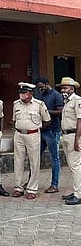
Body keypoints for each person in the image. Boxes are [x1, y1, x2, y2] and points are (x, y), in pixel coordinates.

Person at [11, 82, 50, 199]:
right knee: (18, 161)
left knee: (34, 162)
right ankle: (18, 187)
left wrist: (36, 128)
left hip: (33, 135)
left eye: (24, 93)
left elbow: (47, 121)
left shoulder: (39, 104)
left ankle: (32, 189)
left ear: (31, 93)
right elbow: (13, 119)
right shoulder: (16, 104)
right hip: (18, 134)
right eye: (20, 93)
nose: (21, 95)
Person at [34, 77, 64, 193]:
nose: (40, 89)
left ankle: (54, 184)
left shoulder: (56, 95)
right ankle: (32, 182)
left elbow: (60, 112)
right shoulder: (41, 96)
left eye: (41, 87)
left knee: (54, 159)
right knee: (35, 157)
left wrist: (46, 112)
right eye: (38, 88)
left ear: (47, 84)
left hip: (52, 131)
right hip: (41, 130)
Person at [56, 77, 81, 205]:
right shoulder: (67, 101)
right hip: (66, 135)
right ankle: (77, 190)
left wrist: (77, 139)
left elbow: (80, 121)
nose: (62, 90)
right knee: (72, 166)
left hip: (73, 136)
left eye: (65, 88)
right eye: (62, 88)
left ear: (72, 89)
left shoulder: (77, 101)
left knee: (75, 166)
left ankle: (78, 194)